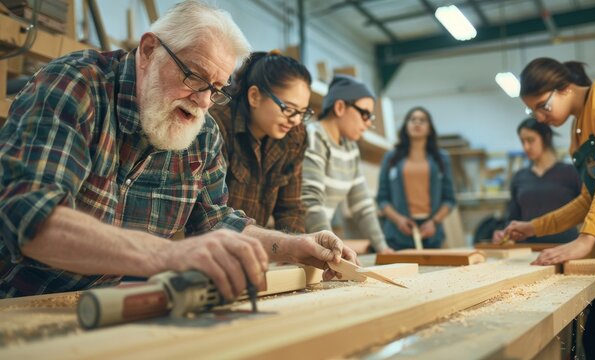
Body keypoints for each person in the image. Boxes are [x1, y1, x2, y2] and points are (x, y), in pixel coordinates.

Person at [0, 1, 356, 300]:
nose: (203, 101)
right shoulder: (76, 86)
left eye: (216, 88)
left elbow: (217, 223)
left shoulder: (202, 135)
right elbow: (30, 217)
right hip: (15, 300)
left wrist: (296, 245)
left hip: (89, 305)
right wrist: (169, 254)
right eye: (194, 77)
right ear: (150, 50)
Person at [502, 58, 595, 359]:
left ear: (565, 88)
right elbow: (586, 201)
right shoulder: (577, 133)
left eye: (543, 105)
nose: (539, 117)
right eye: (533, 110)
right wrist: (533, 227)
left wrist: (585, 239)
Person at [210, 51, 312, 233]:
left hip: (260, 249)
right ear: (255, 96)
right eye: (288, 109)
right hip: (214, 248)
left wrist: (295, 247)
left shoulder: (295, 136)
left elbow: (290, 209)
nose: (296, 120)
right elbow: (212, 214)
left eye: (303, 112)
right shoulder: (219, 126)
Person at [302, 74, 391, 253]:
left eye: (371, 118)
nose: (368, 124)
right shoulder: (313, 136)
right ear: (340, 107)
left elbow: (363, 206)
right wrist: (328, 246)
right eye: (365, 114)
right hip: (299, 242)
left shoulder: (351, 149)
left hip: (320, 241)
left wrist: (384, 250)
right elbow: (310, 200)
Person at [376, 107, 456, 249]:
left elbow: (449, 199)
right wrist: (398, 220)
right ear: (406, 126)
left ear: (430, 128)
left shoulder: (442, 159)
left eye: (422, 120)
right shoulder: (391, 158)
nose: (417, 123)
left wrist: (434, 222)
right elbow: (382, 198)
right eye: (412, 120)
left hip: (432, 234)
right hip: (397, 234)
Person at [493, 118, 581, 244]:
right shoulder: (519, 177)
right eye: (522, 142)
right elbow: (512, 218)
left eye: (530, 140)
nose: (526, 147)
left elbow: (585, 211)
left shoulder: (571, 173)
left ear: (546, 137)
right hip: (527, 249)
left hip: (565, 246)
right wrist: (504, 233)